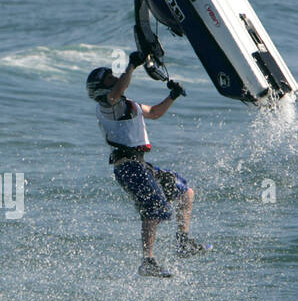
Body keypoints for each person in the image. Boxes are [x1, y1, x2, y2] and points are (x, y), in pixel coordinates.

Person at [86, 51, 207, 277]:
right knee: (153, 209)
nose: (114, 79)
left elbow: (154, 112)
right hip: (127, 166)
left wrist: (173, 96)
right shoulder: (108, 105)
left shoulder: (126, 104)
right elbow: (116, 92)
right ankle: (148, 261)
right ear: (99, 88)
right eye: (108, 79)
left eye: (114, 78)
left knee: (185, 192)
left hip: (142, 165)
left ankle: (183, 242)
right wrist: (131, 65)